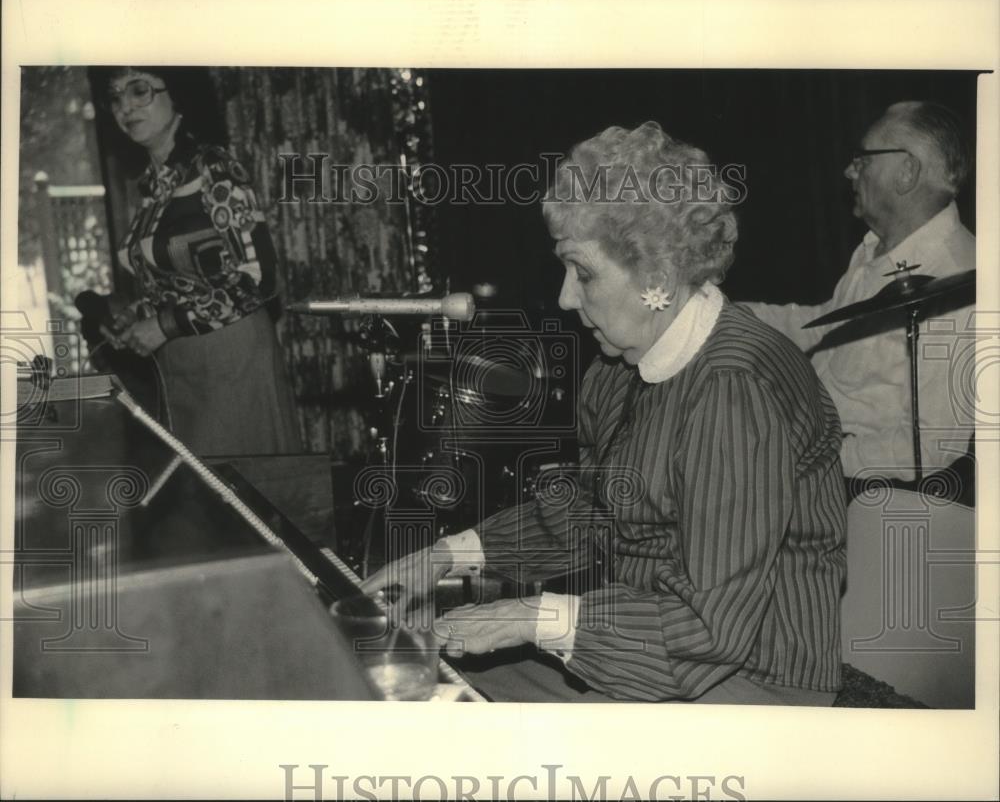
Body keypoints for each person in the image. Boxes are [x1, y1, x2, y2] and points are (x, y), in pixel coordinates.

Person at [362, 122, 847, 705]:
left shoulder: (734, 389)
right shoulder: (619, 368)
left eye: (583, 272)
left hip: (754, 677)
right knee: (433, 687)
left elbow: (712, 631)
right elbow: (590, 512)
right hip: (655, 649)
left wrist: (536, 618)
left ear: (658, 278)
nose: (567, 297)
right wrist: (446, 556)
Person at [743, 101, 975, 483]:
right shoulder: (874, 248)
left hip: (851, 486)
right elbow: (822, 326)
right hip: (806, 429)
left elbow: (929, 448)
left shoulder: (959, 281)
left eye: (863, 158)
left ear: (907, 172)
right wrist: (719, 311)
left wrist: (801, 462)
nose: (849, 170)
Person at [92, 67, 300, 456]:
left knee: (243, 498)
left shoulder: (214, 169)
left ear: (180, 96)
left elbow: (259, 279)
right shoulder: (152, 186)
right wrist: (141, 313)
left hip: (230, 357)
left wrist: (165, 324)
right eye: (116, 96)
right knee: (201, 501)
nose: (126, 106)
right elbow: (186, 279)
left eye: (140, 91)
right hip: (180, 362)